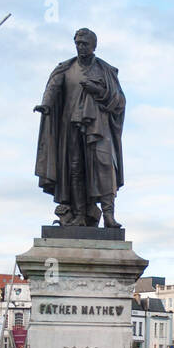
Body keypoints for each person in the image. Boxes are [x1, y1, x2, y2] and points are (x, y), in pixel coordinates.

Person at [33, 28, 126, 228]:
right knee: (75, 169)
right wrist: (46, 105)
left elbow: (120, 100)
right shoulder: (65, 69)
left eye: (85, 43)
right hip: (71, 127)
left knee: (104, 167)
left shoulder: (106, 70)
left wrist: (99, 91)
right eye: (78, 43)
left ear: (94, 46)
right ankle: (80, 214)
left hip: (99, 128)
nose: (80, 47)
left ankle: (109, 215)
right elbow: (53, 88)